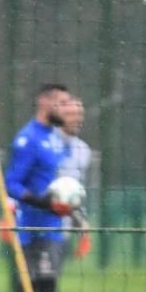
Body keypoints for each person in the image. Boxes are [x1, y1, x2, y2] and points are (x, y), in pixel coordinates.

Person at [0, 83, 74, 292]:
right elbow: (12, 183)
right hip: (33, 231)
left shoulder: (54, 139)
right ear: (45, 102)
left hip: (53, 229)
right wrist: (40, 202)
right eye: (62, 103)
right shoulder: (28, 139)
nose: (66, 109)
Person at [58, 97, 93, 260]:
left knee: (50, 282)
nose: (78, 119)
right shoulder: (44, 143)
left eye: (80, 114)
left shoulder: (83, 150)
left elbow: (74, 193)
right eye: (72, 114)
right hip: (36, 225)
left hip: (61, 230)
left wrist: (81, 222)